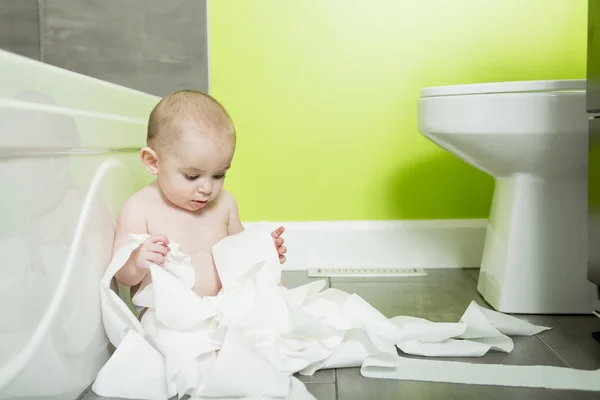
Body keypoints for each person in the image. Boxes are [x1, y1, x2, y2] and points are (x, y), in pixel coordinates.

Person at [112, 89, 287, 304]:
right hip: (168, 318)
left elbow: (240, 252)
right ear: (153, 162)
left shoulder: (224, 203)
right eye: (192, 176)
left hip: (224, 308)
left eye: (218, 175)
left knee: (272, 314)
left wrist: (263, 252)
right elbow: (121, 275)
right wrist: (138, 263)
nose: (207, 188)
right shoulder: (140, 209)